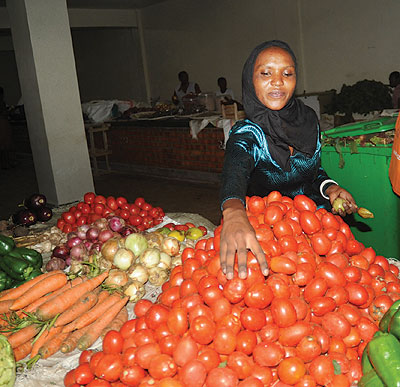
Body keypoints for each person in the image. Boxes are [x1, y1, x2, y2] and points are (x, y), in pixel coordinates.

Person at [219, 40, 357, 280]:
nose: (277, 80)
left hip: (318, 233)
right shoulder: (248, 134)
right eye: (265, 73)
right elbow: (235, 173)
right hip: (271, 243)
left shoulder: (307, 120)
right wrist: (232, 211)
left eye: (287, 73)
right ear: (250, 79)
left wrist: (331, 188)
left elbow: (312, 173)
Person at [0, 87, 14, 169]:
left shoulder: (2, 102)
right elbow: (3, 113)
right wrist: (9, 111)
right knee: (4, 145)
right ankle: (5, 164)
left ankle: (6, 163)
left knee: (5, 145)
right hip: (2, 124)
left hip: (4, 124)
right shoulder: (1, 103)